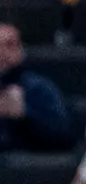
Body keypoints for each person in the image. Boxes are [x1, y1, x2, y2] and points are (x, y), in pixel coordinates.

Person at [0, 21, 74, 152]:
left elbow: (64, 137)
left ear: (21, 50)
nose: (2, 52)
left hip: (27, 161)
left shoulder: (40, 88)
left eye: (10, 45)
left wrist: (24, 115)